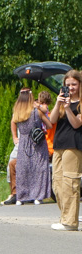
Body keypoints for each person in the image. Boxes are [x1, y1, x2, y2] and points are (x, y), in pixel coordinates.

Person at [48, 70, 82, 231]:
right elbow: (51, 121)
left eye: (74, 84)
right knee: (58, 183)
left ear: (80, 85)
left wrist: (69, 109)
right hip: (59, 144)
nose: (71, 88)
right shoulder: (62, 102)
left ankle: (70, 222)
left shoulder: (80, 103)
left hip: (74, 145)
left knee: (70, 182)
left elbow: (76, 124)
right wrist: (58, 103)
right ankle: (64, 217)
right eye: (68, 85)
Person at [11, 88, 52, 205]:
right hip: (37, 142)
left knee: (23, 169)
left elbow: (13, 122)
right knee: (39, 168)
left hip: (23, 142)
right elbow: (49, 125)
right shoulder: (36, 112)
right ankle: (38, 196)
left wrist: (15, 137)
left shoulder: (17, 112)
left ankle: (21, 196)